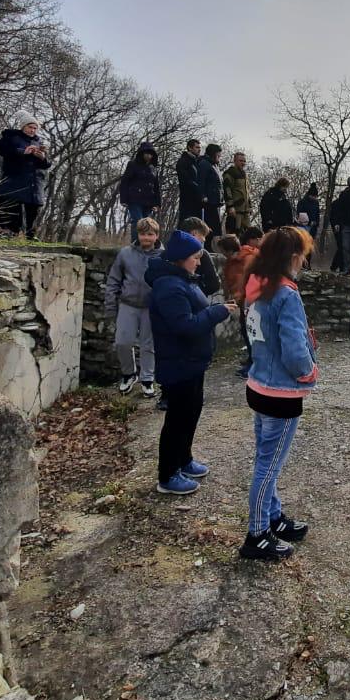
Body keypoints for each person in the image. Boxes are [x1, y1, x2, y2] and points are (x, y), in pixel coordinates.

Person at [239, 226, 319, 561]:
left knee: (265, 459)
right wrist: (309, 371)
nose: (304, 259)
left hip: (258, 385)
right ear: (292, 257)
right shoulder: (286, 293)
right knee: (268, 467)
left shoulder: (258, 286)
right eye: (303, 253)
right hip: (280, 394)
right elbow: (294, 351)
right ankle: (256, 534)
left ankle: (272, 517)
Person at [146, 230, 237, 495]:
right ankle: (167, 474)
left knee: (191, 413)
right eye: (195, 257)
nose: (198, 262)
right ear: (181, 258)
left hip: (193, 361)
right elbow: (185, 326)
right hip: (178, 362)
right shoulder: (168, 286)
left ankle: (183, 460)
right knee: (177, 419)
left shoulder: (184, 280)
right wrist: (217, 312)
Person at [105, 217, 163, 398]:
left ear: (156, 236)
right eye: (143, 234)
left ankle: (147, 379)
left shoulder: (163, 256)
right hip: (128, 303)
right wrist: (110, 307)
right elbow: (113, 280)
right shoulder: (125, 253)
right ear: (137, 235)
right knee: (123, 341)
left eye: (150, 234)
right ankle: (129, 374)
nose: (146, 238)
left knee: (148, 345)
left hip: (150, 306)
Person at [0, 115, 49, 239]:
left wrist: (42, 157)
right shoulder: (11, 137)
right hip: (14, 178)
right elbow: (3, 151)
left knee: (33, 210)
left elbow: (46, 165)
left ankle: (31, 235)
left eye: (35, 128)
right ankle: (7, 232)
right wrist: (23, 152)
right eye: (30, 127)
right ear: (23, 126)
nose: (33, 130)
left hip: (34, 181)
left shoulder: (39, 141)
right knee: (11, 206)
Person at [223, 226, 263, 377]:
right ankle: (252, 360)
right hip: (244, 301)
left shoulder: (246, 259)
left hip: (250, 301)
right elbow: (230, 279)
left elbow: (243, 281)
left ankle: (254, 364)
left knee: (251, 332)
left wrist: (238, 297)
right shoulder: (234, 260)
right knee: (246, 331)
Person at [118, 141, 162, 243]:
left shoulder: (153, 168)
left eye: (151, 154)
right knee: (138, 222)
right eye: (146, 153)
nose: (149, 156)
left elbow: (156, 187)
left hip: (149, 201)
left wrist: (157, 203)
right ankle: (135, 244)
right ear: (141, 153)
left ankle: (145, 245)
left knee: (147, 224)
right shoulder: (133, 165)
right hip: (135, 199)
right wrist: (123, 199)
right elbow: (125, 182)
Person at [180, 216, 222, 296]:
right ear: (194, 233)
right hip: (196, 299)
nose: (204, 240)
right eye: (203, 235)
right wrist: (199, 294)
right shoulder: (203, 254)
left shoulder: (170, 251)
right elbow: (214, 285)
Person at [196, 143, 224, 246]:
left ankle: (213, 246)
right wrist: (203, 196)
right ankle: (209, 247)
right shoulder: (204, 164)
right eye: (218, 155)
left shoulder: (214, 165)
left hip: (215, 202)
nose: (219, 158)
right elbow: (201, 181)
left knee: (216, 227)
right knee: (211, 227)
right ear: (213, 154)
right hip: (208, 202)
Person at [222, 151, 253, 234]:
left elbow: (247, 192)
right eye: (240, 161)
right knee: (235, 232)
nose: (243, 163)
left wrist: (250, 205)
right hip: (236, 209)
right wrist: (230, 206)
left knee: (248, 233)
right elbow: (227, 189)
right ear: (235, 161)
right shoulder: (230, 173)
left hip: (245, 210)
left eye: (244, 161)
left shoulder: (244, 174)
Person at [175, 138, 203, 225]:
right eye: (197, 147)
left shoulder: (198, 162)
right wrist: (198, 188)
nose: (199, 149)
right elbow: (185, 180)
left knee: (197, 226)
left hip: (198, 200)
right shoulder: (183, 162)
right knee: (185, 224)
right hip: (187, 199)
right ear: (190, 148)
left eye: (199, 147)